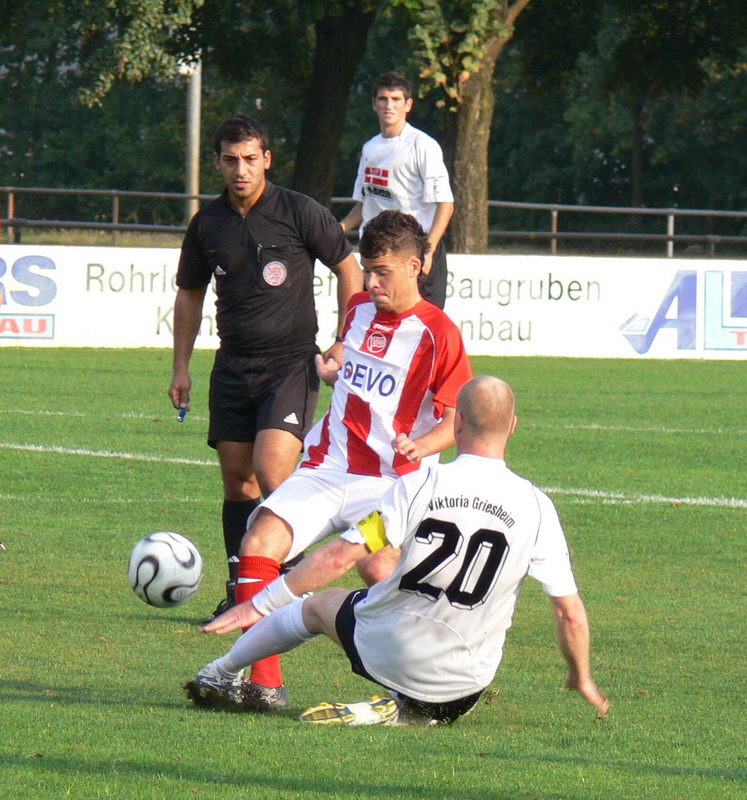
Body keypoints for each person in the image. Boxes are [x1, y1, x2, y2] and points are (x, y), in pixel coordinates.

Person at [184, 376, 610, 726]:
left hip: (387, 653)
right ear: (513, 426)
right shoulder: (538, 508)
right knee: (452, 684)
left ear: (456, 422)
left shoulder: (417, 485)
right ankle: (400, 712)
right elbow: (569, 612)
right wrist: (581, 676)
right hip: (466, 684)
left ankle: (221, 672)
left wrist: (259, 603)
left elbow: (338, 558)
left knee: (317, 607)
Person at [191, 209, 473, 711]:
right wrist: (333, 372)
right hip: (329, 467)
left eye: (382, 271)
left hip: (392, 480)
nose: (370, 281)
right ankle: (263, 685)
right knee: (260, 541)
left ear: (416, 266)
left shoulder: (439, 334)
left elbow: (457, 420)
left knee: (381, 572)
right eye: (367, 269)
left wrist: (422, 445)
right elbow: (357, 373)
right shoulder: (359, 308)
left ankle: (422, 685)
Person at [168, 114, 362, 623]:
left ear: (266, 160)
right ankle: (241, 588)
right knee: (238, 483)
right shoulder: (207, 224)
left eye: (250, 159)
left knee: (274, 472)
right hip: (232, 364)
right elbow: (189, 293)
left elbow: (348, 267)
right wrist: (180, 367)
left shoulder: (299, 211)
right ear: (217, 162)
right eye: (230, 160)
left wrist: (344, 340)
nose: (240, 169)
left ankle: (290, 585)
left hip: (290, 365)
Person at [340, 72, 454, 309]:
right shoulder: (369, 148)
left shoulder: (422, 145)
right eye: (383, 98)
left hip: (414, 250)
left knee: (420, 328)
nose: (388, 105)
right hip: (377, 252)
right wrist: (338, 229)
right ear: (374, 104)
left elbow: (445, 203)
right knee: (377, 328)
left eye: (396, 99)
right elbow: (366, 202)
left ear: (408, 104)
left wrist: (428, 251)